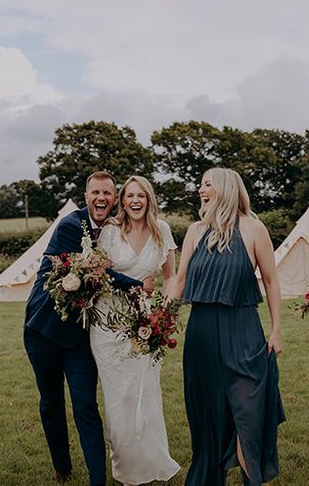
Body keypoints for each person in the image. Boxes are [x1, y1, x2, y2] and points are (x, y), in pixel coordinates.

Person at [24, 171, 152, 486]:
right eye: (96, 192)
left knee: (85, 405)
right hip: (43, 329)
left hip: (81, 335)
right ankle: (62, 467)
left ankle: (98, 480)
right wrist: (139, 285)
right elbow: (96, 270)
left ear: (115, 198)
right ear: (86, 196)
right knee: (51, 401)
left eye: (107, 193)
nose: (101, 198)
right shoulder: (71, 225)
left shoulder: (112, 229)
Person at [165, 167, 286, 486]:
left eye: (207, 184)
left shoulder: (253, 229)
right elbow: (179, 281)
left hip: (243, 331)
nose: (200, 189)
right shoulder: (194, 230)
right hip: (201, 334)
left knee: (248, 412)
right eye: (200, 184)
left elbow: (272, 281)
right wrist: (161, 321)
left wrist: (276, 329)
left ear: (225, 187)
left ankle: (251, 480)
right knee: (207, 415)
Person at [89, 175, 180, 485]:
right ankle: (126, 466)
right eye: (129, 196)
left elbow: (171, 277)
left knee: (146, 392)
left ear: (149, 199)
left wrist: (164, 314)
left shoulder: (162, 230)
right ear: (122, 201)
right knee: (118, 396)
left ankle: (151, 461)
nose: (135, 200)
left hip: (145, 323)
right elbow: (99, 274)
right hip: (107, 324)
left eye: (141, 195)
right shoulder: (110, 232)